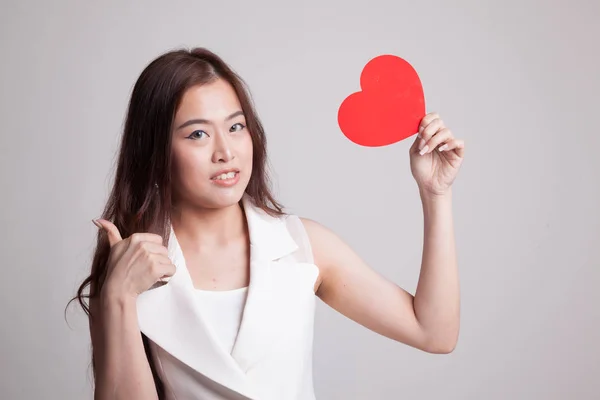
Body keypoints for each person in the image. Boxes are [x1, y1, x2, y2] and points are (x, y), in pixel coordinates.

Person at [73, 47, 465, 400]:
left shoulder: (302, 245)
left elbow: (434, 332)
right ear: (155, 150)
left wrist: (435, 195)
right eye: (197, 134)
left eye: (235, 126)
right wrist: (119, 297)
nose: (225, 151)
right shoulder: (131, 263)